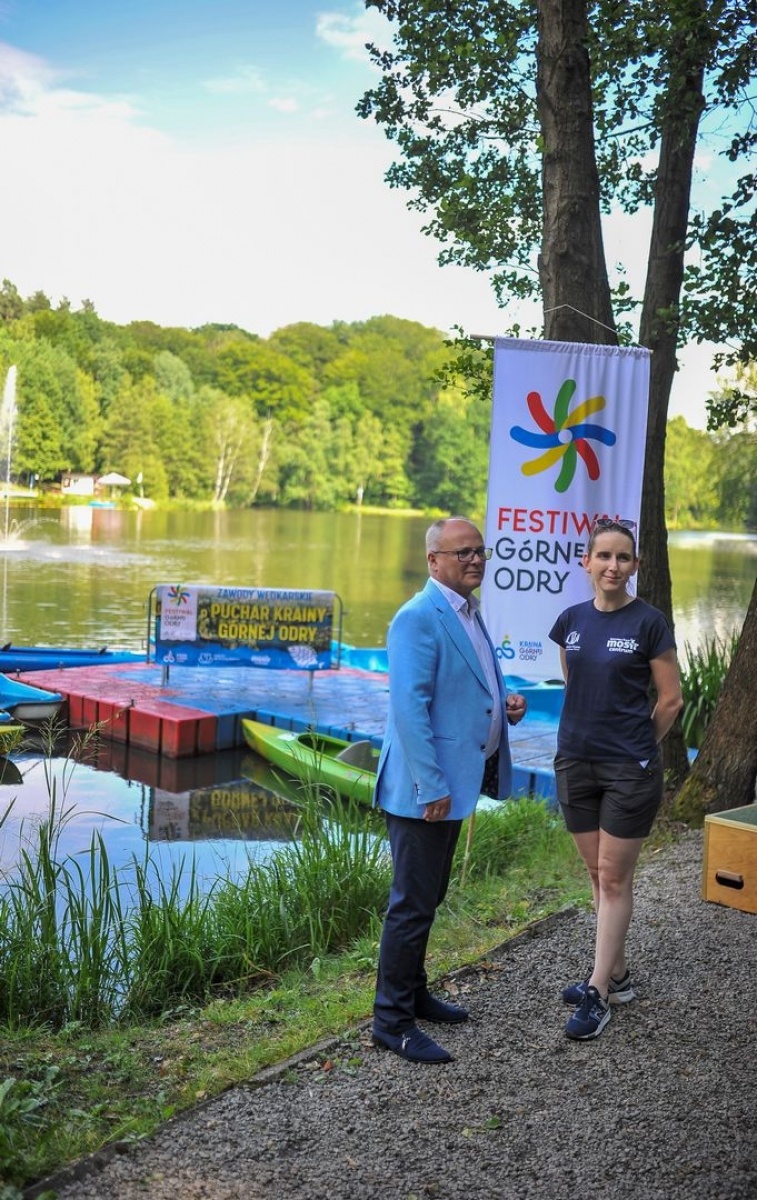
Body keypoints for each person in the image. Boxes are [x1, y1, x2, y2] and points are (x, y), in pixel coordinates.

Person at [371, 516, 527, 1063]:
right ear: (433, 559)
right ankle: (391, 1022)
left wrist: (505, 708)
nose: (475, 560)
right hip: (425, 789)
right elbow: (408, 711)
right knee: (411, 906)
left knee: (429, 897)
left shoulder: (469, 612)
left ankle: (413, 994)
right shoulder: (418, 617)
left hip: (451, 784)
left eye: (480, 551)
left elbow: (473, 686)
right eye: (463, 553)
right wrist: (430, 785)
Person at [548, 517, 683, 1041]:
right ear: (587, 562)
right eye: (603, 556)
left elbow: (670, 699)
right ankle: (619, 975)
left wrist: (640, 747)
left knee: (613, 877)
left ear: (635, 566)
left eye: (623, 558)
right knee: (596, 876)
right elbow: (573, 680)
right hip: (574, 762)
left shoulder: (648, 622)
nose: (612, 565)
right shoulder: (570, 621)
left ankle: (598, 990)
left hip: (629, 768)